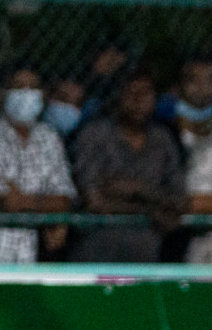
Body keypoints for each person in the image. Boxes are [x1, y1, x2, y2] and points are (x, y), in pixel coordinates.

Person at [0, 60, 76, 263]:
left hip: (27, 253)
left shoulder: (49, 137)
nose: (27, 94)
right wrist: (41, 205)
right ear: (3, 93)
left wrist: (24, 201)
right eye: (18, 87)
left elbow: (63, 199)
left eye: (33, 87)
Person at [71, 67, 185, 263]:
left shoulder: (163, 139)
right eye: (131, 93)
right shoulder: (95, 135)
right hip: (97, 255)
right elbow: (94, 202)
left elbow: (178, 201)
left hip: (148, 258)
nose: (138, 100)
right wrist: (151, 209)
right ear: (117, 98)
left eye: (145, 93)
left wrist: (137, 190)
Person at [177, 55, 212, 263]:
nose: (202, 88)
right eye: (193, 80)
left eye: (209, 80)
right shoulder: (164, 135)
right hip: (172, 235)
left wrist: (193, 204)